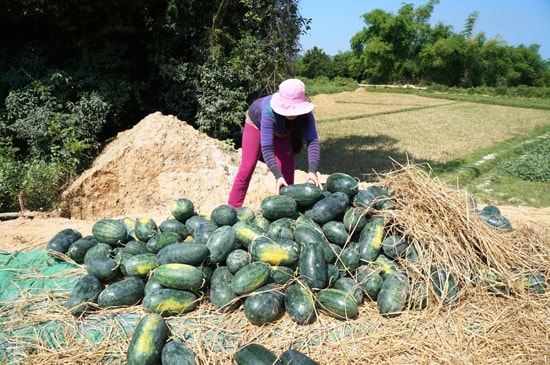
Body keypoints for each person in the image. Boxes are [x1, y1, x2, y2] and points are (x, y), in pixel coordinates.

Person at [228, 78, 322, 209]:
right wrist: (277, 175)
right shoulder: (268, 111)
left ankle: (286, 213)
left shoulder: (306, 114)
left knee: (287, 175)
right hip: (256, 124)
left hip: (283, 131)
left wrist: (312, 171)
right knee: (247, 168)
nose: (291, 113)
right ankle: (232, 209)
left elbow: (312, 141)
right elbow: (266, 147)